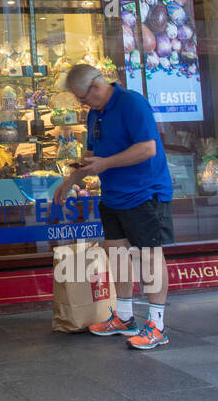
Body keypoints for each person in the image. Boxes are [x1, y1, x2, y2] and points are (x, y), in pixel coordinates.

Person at [54, 63, 174, 349]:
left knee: (149, 257)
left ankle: (157, 325)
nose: (81, 104)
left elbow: (147, 148)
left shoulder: (132, 103)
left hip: (145, 193)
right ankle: (123, 317)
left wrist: (105, 164)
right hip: (113, 194)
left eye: (81, 98)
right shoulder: (95, 114)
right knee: (118, 255)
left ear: (95, 87)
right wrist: (70, 180)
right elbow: (93, 154)